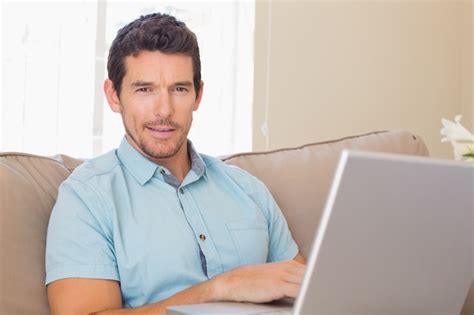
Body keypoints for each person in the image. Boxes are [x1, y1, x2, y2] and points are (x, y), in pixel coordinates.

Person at [45, 12, 306, 315]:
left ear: (198, 95)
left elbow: (308, 292)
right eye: (145, 89)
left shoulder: (247, 189)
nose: (164, 109)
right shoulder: (87, 197)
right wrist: (222, 288)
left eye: (179, 89)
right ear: (114, 96)